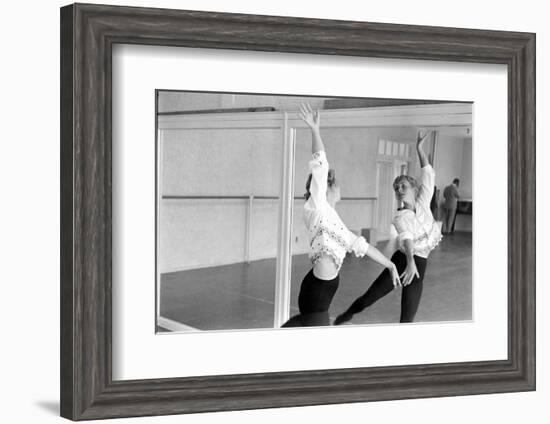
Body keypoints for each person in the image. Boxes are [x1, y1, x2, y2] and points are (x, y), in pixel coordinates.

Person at [282, 104, 400, 327]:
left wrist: (390, 265)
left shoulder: (336, 222)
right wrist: (315, 130)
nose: (340, 187)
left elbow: (363, 247)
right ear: (328, 188)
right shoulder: (317, 206)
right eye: (336, 184)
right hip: (317, 290)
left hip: (322, 289)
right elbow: (320, 165)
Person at [334, 130, 442, 325]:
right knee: (370, 297)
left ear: (414, 188)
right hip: (403, 260)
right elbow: (407, 239)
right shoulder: (400, 217)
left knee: (407, 318)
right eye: (396, 189)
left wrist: (419, 149)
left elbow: (428, 173)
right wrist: (410, 262)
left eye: (403, 186)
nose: (399, 191)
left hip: (419, 267)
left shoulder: (423, 203)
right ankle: (348, 313)